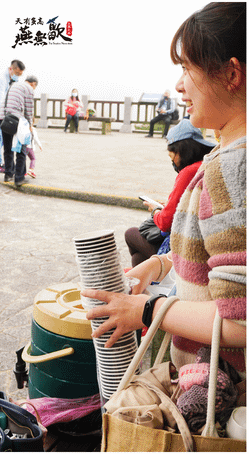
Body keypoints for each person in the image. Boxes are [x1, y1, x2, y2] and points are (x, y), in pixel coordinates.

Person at [85, 2, 245, 378]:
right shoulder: (227, 153)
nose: (178, 85)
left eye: (187, 68)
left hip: (226, 395)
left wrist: (146, 309)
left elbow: (241, 323)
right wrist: (159, 265)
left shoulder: (234, 168)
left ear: (231, 73)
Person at [124, 119, 214, 266]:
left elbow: (166, 222)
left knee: (131, 234)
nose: (173, 162)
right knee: (139, 256)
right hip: (200, 239)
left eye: (172, 157)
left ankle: (144, 282)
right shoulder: (205, 164)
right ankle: (147, 283)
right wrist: (168, 206)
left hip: (185, 248)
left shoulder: (188, 172)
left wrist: (156, 211)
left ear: (181, 151)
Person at [2, 75, 38, 186]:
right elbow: (28, 109)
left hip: (6, 119)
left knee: (8, 149)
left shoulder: (13, 85)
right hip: (18, 121)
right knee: (21, 151)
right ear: (33, 84)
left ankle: (8, 175)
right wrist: (30, 125)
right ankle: (19, 178)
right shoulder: (29, 89)